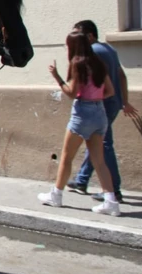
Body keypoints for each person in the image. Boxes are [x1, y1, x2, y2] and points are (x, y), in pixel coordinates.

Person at [39, 32, 121, 216]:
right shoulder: (99, 63)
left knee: (67, 157)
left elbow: (71, 92)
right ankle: (111, 202)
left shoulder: (78, 64)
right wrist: (96, 98)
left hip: (82, 113)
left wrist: (57, 77)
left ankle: (56, 196)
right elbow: (111, 91)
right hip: (100, 113)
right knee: (99, 161)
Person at [66, 20, 138, 202]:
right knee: (96, 142)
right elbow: (121, 75)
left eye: (79, 35)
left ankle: (114, 190)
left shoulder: (93, 53)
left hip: (100, 104)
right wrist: (124, 101)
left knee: (103, 145)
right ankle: (82, 180)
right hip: (112, 102)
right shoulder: (109, 49)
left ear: (89, 36)